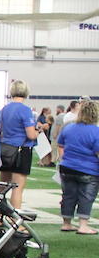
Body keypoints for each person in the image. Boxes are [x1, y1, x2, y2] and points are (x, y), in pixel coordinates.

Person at [56, 99, 99, 235]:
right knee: (86, 197)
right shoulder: (95, 131)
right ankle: (83, 225)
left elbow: (60, 144)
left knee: (68, 195)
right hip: (88, 170)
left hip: (67, 167)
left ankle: (67, 223)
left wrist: (65, 159)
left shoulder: (68, 127)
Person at [0, 80, 38, 210]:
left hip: (5, 148)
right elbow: (31, 134)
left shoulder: (4, 109)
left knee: (2, 187)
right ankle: (16, 222)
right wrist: (38, 132)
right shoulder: (26, 110)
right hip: (21, 150)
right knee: (17, 188)